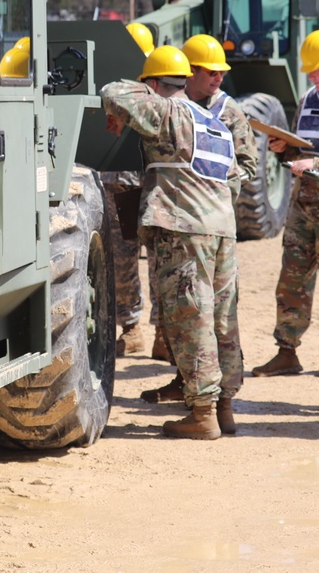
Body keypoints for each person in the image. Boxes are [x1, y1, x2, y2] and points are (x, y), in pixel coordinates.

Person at [101, 45, 241, 439]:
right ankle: (225, 406)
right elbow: (232, 178)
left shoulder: (168, 111)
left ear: (152, 83)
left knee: (190, 316)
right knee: (222, 320)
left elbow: (113, 92)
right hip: (222, 230)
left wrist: (135, 97)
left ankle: (202, 413)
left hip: (184, 230)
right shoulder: (213, 122)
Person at [139, 34, 257, 407]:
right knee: (176, 308)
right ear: (187, 74)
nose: (218, 77)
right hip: (173, 220)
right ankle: (187, 378)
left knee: (202, 309)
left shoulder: (228, 112)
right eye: (210, 71)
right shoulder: (172, 110)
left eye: (221, 71)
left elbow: (247, 165)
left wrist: (211, 189)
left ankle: (210, 396)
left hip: (202, 222)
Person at [252, 30, 319, 378]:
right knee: (292, 277)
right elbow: (303, 147)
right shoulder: (310, 97)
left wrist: (316, 165)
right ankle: (287, 350)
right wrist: (287, 149)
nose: (311, 77)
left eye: (316, 70)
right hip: (303, 203)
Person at [102, 22, 172, 362]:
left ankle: (157, 332)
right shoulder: (134, 92)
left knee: (154, 259)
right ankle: (135, 331)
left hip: (145, 184)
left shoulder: (152, 94)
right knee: (127, 259)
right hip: (124, 182)